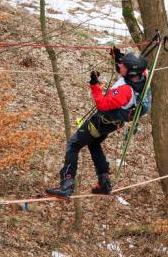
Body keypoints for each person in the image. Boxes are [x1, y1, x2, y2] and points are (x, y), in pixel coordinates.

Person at [46, 48, 149, 198]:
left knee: (74, 145)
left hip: (100, 123)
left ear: (131, 72)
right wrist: (119, 58)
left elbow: (102, 104)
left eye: (124, 66)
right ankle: (104, 182)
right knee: (93, 144)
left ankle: (66, 184)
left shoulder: (125, 91)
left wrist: (94, 84)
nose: (121, 67)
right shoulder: (141, 77)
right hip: (113, 123)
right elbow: (130, 69)